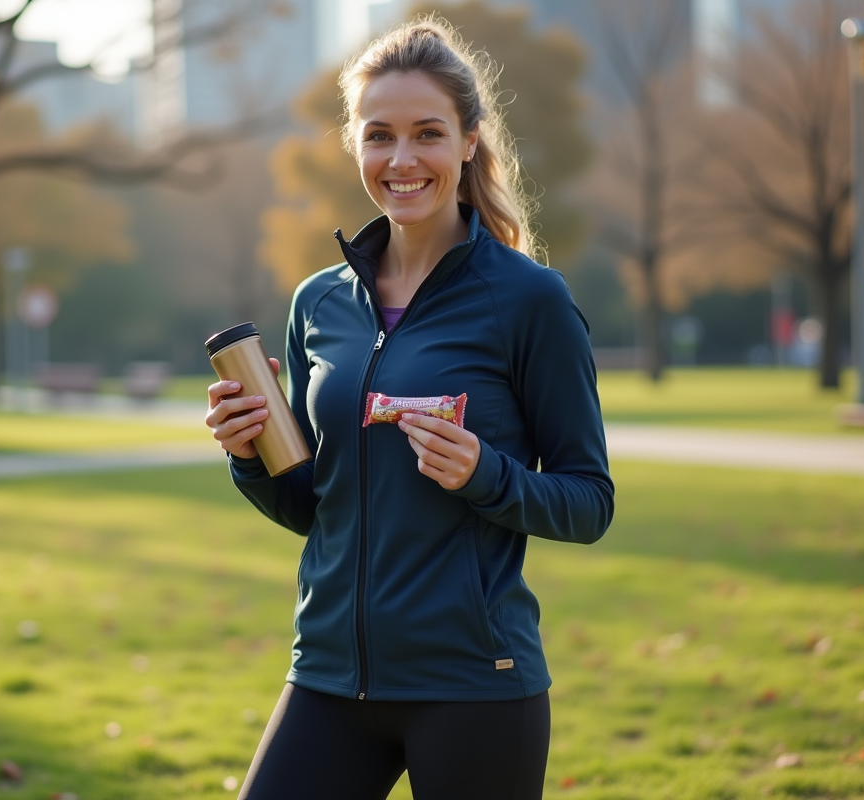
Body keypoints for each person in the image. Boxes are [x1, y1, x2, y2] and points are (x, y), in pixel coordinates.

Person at [205, 19, 614, 800]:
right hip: (328, 675)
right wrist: (249, 456)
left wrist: (486, 475)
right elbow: (315, 509)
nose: (401, 160)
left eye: (428, 133)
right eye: (379, 135)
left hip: (474, 684)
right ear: (354, 145)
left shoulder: (530, 300)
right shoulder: (318, 303)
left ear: (468, 141)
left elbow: (590, 501)